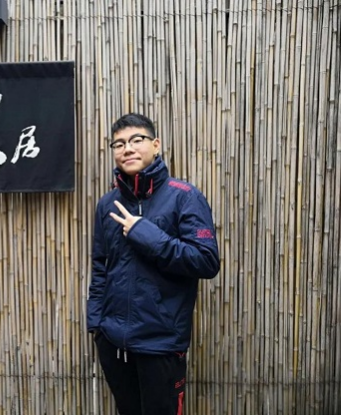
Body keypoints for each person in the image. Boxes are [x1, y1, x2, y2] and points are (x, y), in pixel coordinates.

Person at [87, 113, 220, 415]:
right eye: (119, 144)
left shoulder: (184, 197)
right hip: (113, 342)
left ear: (156, 145)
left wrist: (145, 234)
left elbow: (206, 261)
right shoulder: (107, 204)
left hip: (161, 344)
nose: (128, 149)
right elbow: (100, 267)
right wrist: (97, 326)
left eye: (137, 140)